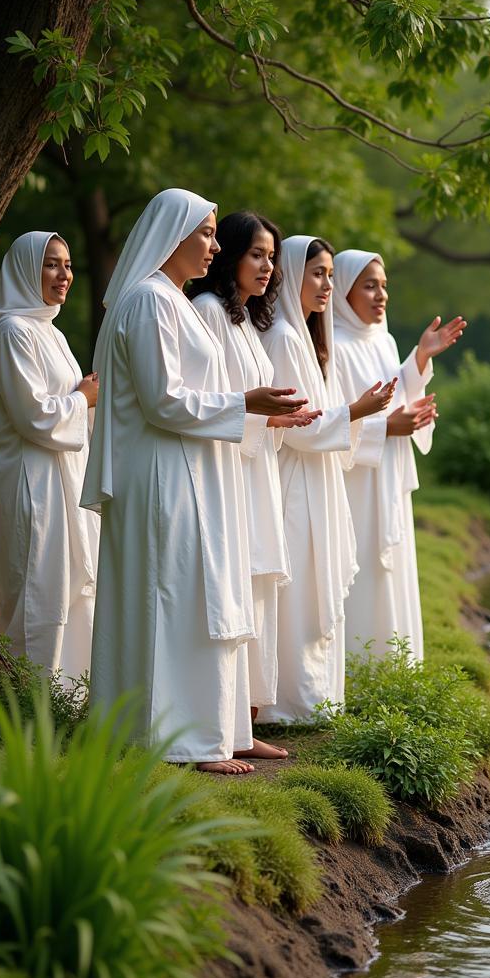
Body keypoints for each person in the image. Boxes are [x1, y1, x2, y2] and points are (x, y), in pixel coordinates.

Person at [81, 188, 306, 774]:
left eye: (212, 234)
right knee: (172, 600)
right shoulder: (150, 302)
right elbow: (163, 400)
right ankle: (178, 740)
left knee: (199, 599)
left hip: (193, 468)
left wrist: (255, 408)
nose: (213, 246)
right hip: (163, 475)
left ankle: (216, 730)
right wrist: (246, 401)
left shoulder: (174, 302)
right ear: (171, 235)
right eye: (205, 233)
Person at [188, 212, 317, 757]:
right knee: (234, 593)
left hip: (256, 468)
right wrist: (255, 414)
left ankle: (245, 724)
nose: (267, 267)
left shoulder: (242, 318)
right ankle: (224, 724)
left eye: (272, 257)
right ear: (231, 255)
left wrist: (276, 420)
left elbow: (249, 404)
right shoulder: (210, 312)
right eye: (256, 254)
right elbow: (204, 401)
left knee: (258, 591)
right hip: (228, 474)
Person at [258, 235, 395, 723]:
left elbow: (320, 420)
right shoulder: (281, 338)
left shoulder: (310, 341)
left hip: (317, 479)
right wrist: (359, 410)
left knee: (318, 587)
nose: (326, 285)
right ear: (293, 274)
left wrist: (355, 414)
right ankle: (287, 703)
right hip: (295, 483)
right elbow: (299, 427)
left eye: (331, 276)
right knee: (298, 593)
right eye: (317, 273)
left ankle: (313, 697)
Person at [0, 231, 99, 681]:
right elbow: (34, 416)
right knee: (37, 589)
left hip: (62, 477)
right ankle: (29, 702)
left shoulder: (52, 331)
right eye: (51, 264)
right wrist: (84, 397)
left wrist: (87, 397)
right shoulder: (12, 332)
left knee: (65, 589)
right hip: (30, 482)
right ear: (26, 270)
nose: (64, 275)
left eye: (67, 264)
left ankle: (69, 698)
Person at [332, 249, 465, 659]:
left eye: (384, 286)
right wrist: (387, 427)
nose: (380, 295)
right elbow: (335, 415)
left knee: (392, 565)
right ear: (343, 292)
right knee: (363, 563)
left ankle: (394, 663)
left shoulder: (385, 340)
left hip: (388, 473)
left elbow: (393, 393)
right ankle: (358, 664)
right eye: (369, 286)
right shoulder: (332, 346)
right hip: (356, 476)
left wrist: (421, 357)